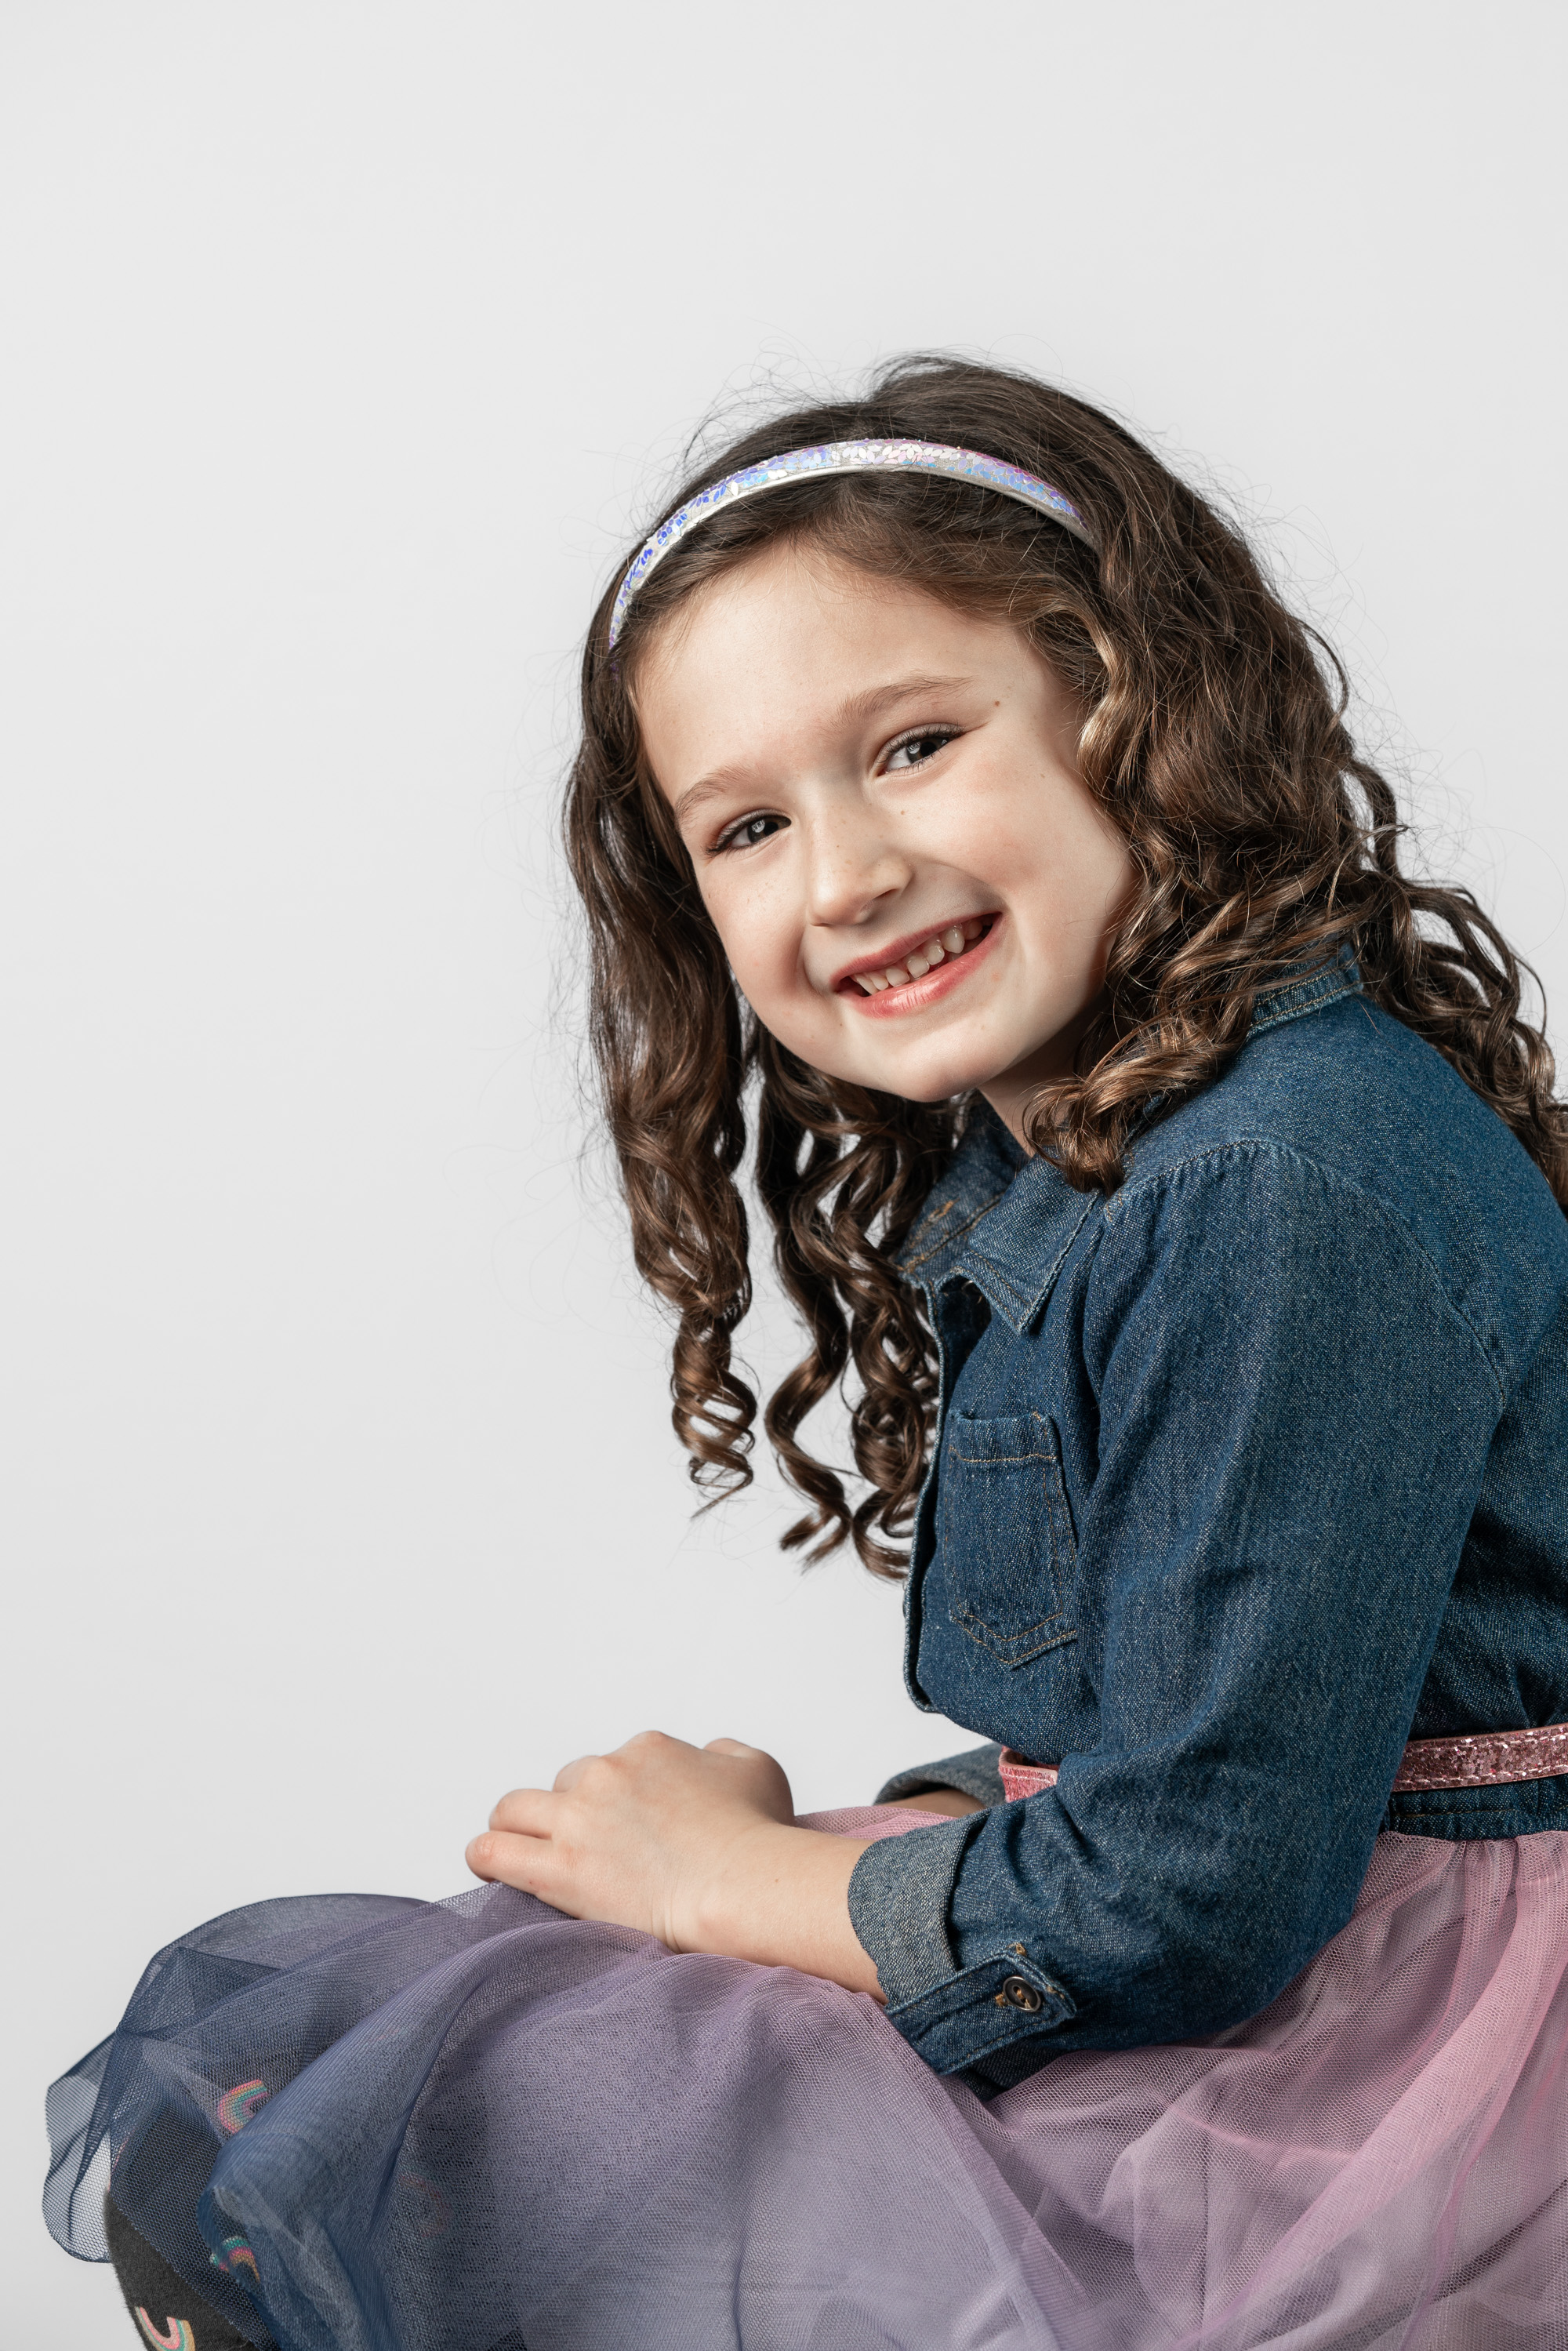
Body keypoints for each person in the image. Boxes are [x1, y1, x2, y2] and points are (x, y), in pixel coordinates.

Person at [45, 358, 1568, 2350]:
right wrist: (901, 1822)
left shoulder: (1283, 1186)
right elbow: (1198, 1714)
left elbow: (1192, 1895)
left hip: (1378, 2071)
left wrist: (732, 1879)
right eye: (748, 824)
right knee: (340, 2084)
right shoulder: (1115, 1158)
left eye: (916, 743)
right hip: (1279, 1932)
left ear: (1135, 708)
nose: (842, 874)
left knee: (460, 2132)